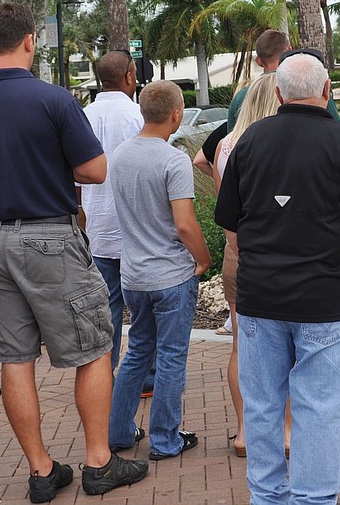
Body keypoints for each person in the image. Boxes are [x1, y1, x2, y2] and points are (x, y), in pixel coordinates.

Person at [0, 2, 148, 501]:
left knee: (14, 356)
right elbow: (95, 170)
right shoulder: (53, 100)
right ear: (30, 40)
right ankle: (99, 462)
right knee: (94, 347)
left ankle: (41, 471)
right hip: (49, 236)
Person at [215, 51, 340, 504]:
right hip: (325, 302)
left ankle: (267, 497)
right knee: (319, 411)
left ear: (279, 93)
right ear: (325, 92)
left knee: (261, 407)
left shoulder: (250, 140)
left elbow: (231, 225)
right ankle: (314, 499)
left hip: (260, 300)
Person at [107, 80, 212, 460]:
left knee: (137, 353)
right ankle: (166, 439)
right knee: (170, 357)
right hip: (170, 275)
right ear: (176, 114)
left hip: (133, 274)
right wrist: (203, 259)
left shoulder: (119, 155)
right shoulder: (173, 160)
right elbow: (184, 223)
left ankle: (118, 432)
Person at [213, 73, 281, 459]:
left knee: (242, 346)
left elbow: (226, 207)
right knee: (284, 347)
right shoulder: (272, 144)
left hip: (235, 252)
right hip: (272, 255)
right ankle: (283, 429)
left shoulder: (225, 145)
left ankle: (243, 431)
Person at [79, 50, 146, 411]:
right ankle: (142, 377)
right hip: (135, 230)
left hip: (98, 228)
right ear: (130, 77)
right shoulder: (136, 115)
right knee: (144, 309)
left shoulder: (82, 115)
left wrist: (79, 216)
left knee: (107, 310)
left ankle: (107, 373)